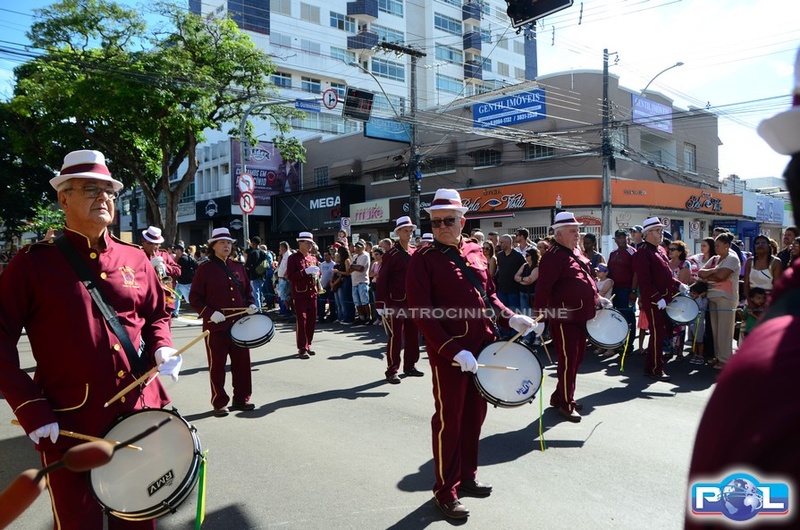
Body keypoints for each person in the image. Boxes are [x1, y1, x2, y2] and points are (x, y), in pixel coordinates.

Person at [0, 149, 182, 529]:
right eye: (90, 189)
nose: (103, 197)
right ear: (63, 198)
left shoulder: (135, 258)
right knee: (77, 523)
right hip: (70, 423)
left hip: (137, 413)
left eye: (108, 191)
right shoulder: (32, 264)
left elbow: (156, 314)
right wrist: (30, 405)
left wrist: (162, 344)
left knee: (137, 518)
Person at [687, 48, 800, 528]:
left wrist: (704, 276)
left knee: (722, 337)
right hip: (739, 306)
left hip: (732, 302)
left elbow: (714, 275)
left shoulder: (769, 373)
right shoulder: (770, 367)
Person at [406, 189, 536, 520]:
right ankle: (445, 490)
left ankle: (466, 476)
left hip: (484, 349)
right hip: (451, 354)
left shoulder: (476, 251)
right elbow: (422, 313)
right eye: (435, 222)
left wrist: (510, 317)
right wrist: (452, 350)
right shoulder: (423, 258)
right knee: (449, 421)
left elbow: (489, 295)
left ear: (462, 222)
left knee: (475, 417)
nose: (441, 227)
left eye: (448, 220)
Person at [534, 211, 610, 422]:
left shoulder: (575, 251)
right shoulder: (552, 257)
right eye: (572, 231)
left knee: (577, 358)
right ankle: (567, 404)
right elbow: (542, 289)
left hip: (581, 315)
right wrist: (539, 318)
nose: (577, 234)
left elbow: (586, 279)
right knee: (568, 360)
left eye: (577, 230)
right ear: (558, 234)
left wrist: (597, 298)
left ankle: (559, 396)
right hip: (563, 318)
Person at [189, 227, 257, 416]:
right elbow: (194, 298)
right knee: (217, 366)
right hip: (216, 327)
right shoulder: (205, 269)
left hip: (240, 325)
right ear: (213, 246)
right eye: (222, 243)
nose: (226, 246)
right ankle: (219, 402)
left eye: (228, 243)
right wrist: (209, 313)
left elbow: (247, 292)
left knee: (242, 365)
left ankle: (242, 398)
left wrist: (251, 304)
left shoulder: (238, 266)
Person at [633, 217, 685, 381]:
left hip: (664, 299)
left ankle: (650, 366)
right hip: (655, 301)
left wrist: (678, 285)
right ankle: (656, 368)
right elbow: (645, 281)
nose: (661, 233)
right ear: (648, 233)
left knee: (660, 334)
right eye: (657, 230)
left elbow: (665, 275)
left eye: (661, 230)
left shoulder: (659, 250)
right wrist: (657, 297)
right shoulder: (643, 252)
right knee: (657, 334)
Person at [376, 216, 422, 384]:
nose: (409, 234)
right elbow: (383, 279)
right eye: (405, 231)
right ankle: (392, 370)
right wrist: (380, 303)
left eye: (411, 231)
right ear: (398, 232)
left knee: (413, 335)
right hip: (395, 301)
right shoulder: (391, 254)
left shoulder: (414, 252)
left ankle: (410, 366)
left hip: (412, 301)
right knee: (396, 336)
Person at [697, 232, 741, 370]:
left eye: (718, 245)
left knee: (725, 330)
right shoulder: (714, 259)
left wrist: (710, 274)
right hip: (712, 296)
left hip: (726, 297)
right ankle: (718, 356)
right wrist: (715, 271)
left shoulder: (732, 258)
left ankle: (725, 359)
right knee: (715, 330)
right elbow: (700, 273)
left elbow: (722, 276)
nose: (715, 248)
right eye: (714, 245)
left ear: (727, 245)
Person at [286, 232, 321, 359]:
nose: (310, 245)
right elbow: (290, 276)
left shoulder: (313, 258)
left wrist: (317, 273)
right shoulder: (293, 258)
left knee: (312, 320)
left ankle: (308, 345)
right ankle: (302, 348)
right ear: (300, 243)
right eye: (307, 243)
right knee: (302, 321)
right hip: (300, 294)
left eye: (311, 243)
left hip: (312, 293)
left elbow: (317, 274)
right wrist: (305, 272)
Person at [607, 229, 638, 354]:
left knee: (629, 317)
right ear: (615, 239)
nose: (621, 240)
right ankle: (619, 342)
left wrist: (633, 291)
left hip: (627, 290)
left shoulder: (632, 252)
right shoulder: (613, 253)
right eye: (618, 237)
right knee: (616, 317)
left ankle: (629, 345)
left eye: (623, 237)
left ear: (627, 238)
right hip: (615, 290)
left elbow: (636, 273)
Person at [141, 226, 181, 317]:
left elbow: (178, 271)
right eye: (151, 243)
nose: (154, 246)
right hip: (147, 298)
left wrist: (165, 267)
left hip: (165, 298)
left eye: (157, 244)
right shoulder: (139, 254)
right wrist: (149, 266)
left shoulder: (164, 254)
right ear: (143, 242)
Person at [743, 234, 782, 299]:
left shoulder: (776, 262)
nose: (760, 245)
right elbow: (746, 285)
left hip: (770, 300)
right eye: (757, 243)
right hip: (751, 300)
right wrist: (750, 301)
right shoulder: (749, 261)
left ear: (769, 246)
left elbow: (777, 287)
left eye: (763, 243)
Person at [495, 234, 525, 315]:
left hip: (514, 290)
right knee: (502, 313)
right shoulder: (500, 255)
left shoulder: (518, 256)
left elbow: (524, 269)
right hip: (502, 289)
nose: (500, 244)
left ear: (508, 243)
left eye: (502, 242)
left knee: (513, 313)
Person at [349, 240, 371, 325]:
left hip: (362, 281)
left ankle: (368, 317)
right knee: (357, 302)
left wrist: (353, 267)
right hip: (354, 282)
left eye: (359, 247)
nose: (357, 249)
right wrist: (355, 267)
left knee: (364, 301)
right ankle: (361, 317)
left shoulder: (365, 255)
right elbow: (350, 269)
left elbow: (361, 268)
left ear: (363, 247)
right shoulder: (354, 256)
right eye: (356, 247)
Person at [686, 281, 709, 365]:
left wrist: (699, 297)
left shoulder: (704, 300)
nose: (692, 294)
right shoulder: (691, 299)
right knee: (693, 340)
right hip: (692, 322)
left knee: (699, 340)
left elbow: (701, 307)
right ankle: (695, 354)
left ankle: (700, 355)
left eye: (694, 293)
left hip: (699, 323)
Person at [173, 244, 197, 317]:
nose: (175, 252)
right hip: (183, 282)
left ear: (179, 250)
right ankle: (175, 312)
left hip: (184, 283)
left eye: (176, 250)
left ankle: (202, 310)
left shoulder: (182, 259)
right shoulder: (189, 257)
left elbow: (180, 271)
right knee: (176, 298)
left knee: (190, 300)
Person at [244, 236, 268, 309]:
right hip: (262, 276)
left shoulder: (252, 253)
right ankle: (261, 307)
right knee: (260, 293)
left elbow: (247, 266)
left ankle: (258, 310)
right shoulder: (263, 252)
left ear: (253, 243)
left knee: (255, 294)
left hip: (254, 276)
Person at [514, 247, 539, 312]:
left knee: (532, 314)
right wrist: (523, 279)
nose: (526, 257)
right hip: (523, 292)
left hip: (532, 294)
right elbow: (515, 277)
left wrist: (520, 280)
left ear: (532, 256)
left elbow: (529, 281)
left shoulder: (537, 268)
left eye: (527, 255)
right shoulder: (525, 265)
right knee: (524, 313)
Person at [317, 249, 337, 322]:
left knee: (332, 302)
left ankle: (332, 316)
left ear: (330, 256)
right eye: (324, 255)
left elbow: (334, 275)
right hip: (322, 286)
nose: (325, 257)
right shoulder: (322, 264)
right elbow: (320, 274)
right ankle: (321, 317)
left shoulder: (334, 264)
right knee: (321, 302)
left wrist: (330, 282)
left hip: (330, 286)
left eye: (326, 255)